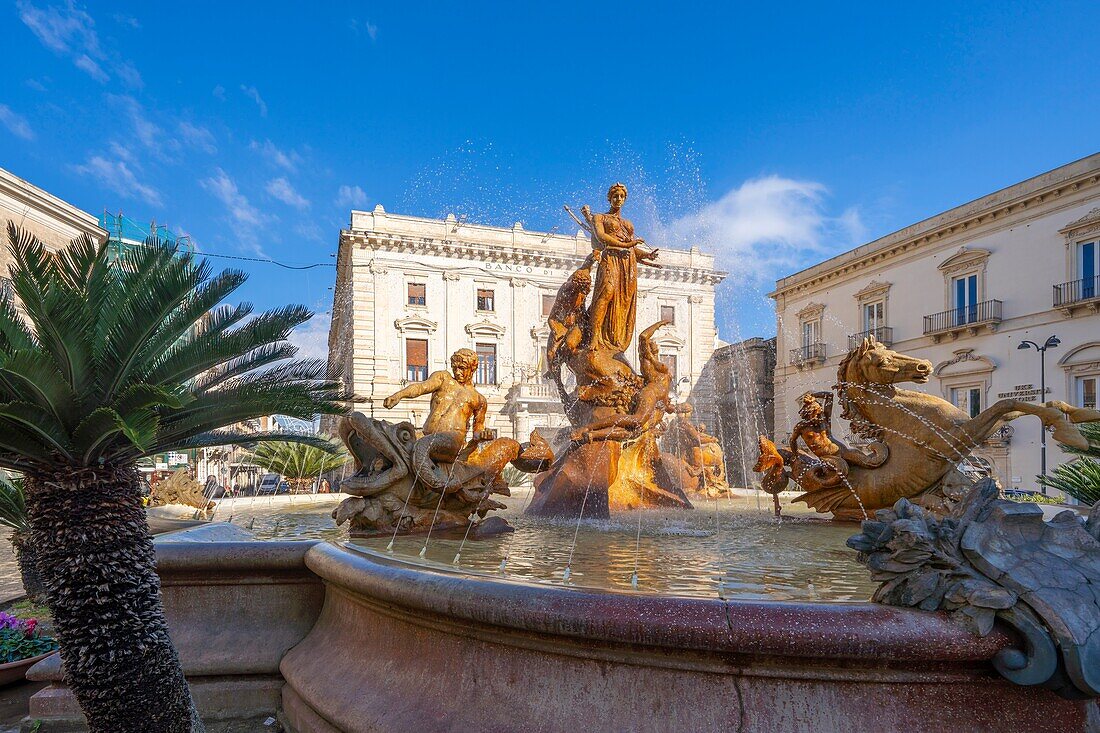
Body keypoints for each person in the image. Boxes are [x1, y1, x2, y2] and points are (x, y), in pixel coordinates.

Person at [582, 183, 659, 354]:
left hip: (627, 265)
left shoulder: (627, 223)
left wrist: (647, 255)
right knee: (606, 293)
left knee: (623, 302)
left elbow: (630, 249)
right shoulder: (600, 218)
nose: (618, 199)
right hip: (610, 258)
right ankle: (594, 337)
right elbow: (602, 237)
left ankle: (615, 340)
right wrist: (629, 244)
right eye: (615, 196)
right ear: (609, 198)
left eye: (622, 196)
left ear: (625, 199)